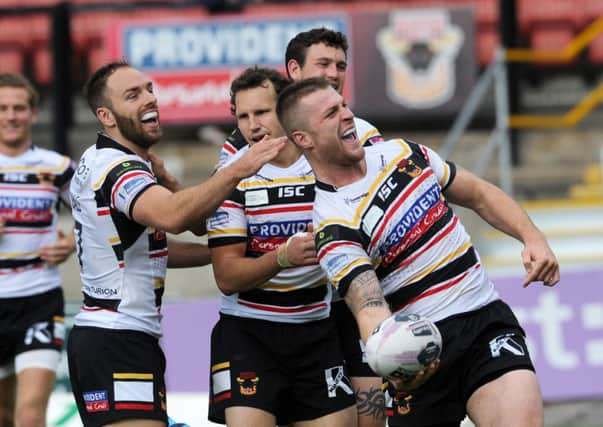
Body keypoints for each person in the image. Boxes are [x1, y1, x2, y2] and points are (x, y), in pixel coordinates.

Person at [276, 77, 560, 427]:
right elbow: (368, 305)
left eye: (344, 105)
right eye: (330, 114)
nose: (347, 115)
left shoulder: (403, 154)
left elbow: (479, 194)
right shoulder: (331, 224)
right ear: (303, 139)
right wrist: (393, 359)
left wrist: (532, 238)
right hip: (418, 352)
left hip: (483, 322)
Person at [66, 61, 286, 427]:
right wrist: (239, 169)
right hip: (117, 339)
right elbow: (173, 217)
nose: (150, 98)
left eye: (149, 88)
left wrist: (219, 253)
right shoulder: (118, 170)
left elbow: (158, 245)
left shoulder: (99, 159)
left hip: (118, 337)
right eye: (133, 95)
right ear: (105, 115)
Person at [216, 27, 387, 427]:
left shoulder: (362, 134)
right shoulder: (238, 156)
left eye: (340, 66)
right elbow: (222, 250)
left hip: (347, 301)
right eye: (323, 64)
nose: (333, 73)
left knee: (372, 420)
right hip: (287, 315)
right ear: (294, 71)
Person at [0, 72, 76, 427]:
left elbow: (99, 217)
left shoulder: (57, 167)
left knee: (29, 415)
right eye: (2, 108)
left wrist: (72, 243)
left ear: (33, 114)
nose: (11, 116)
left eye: (19, 107)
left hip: (39, 300)